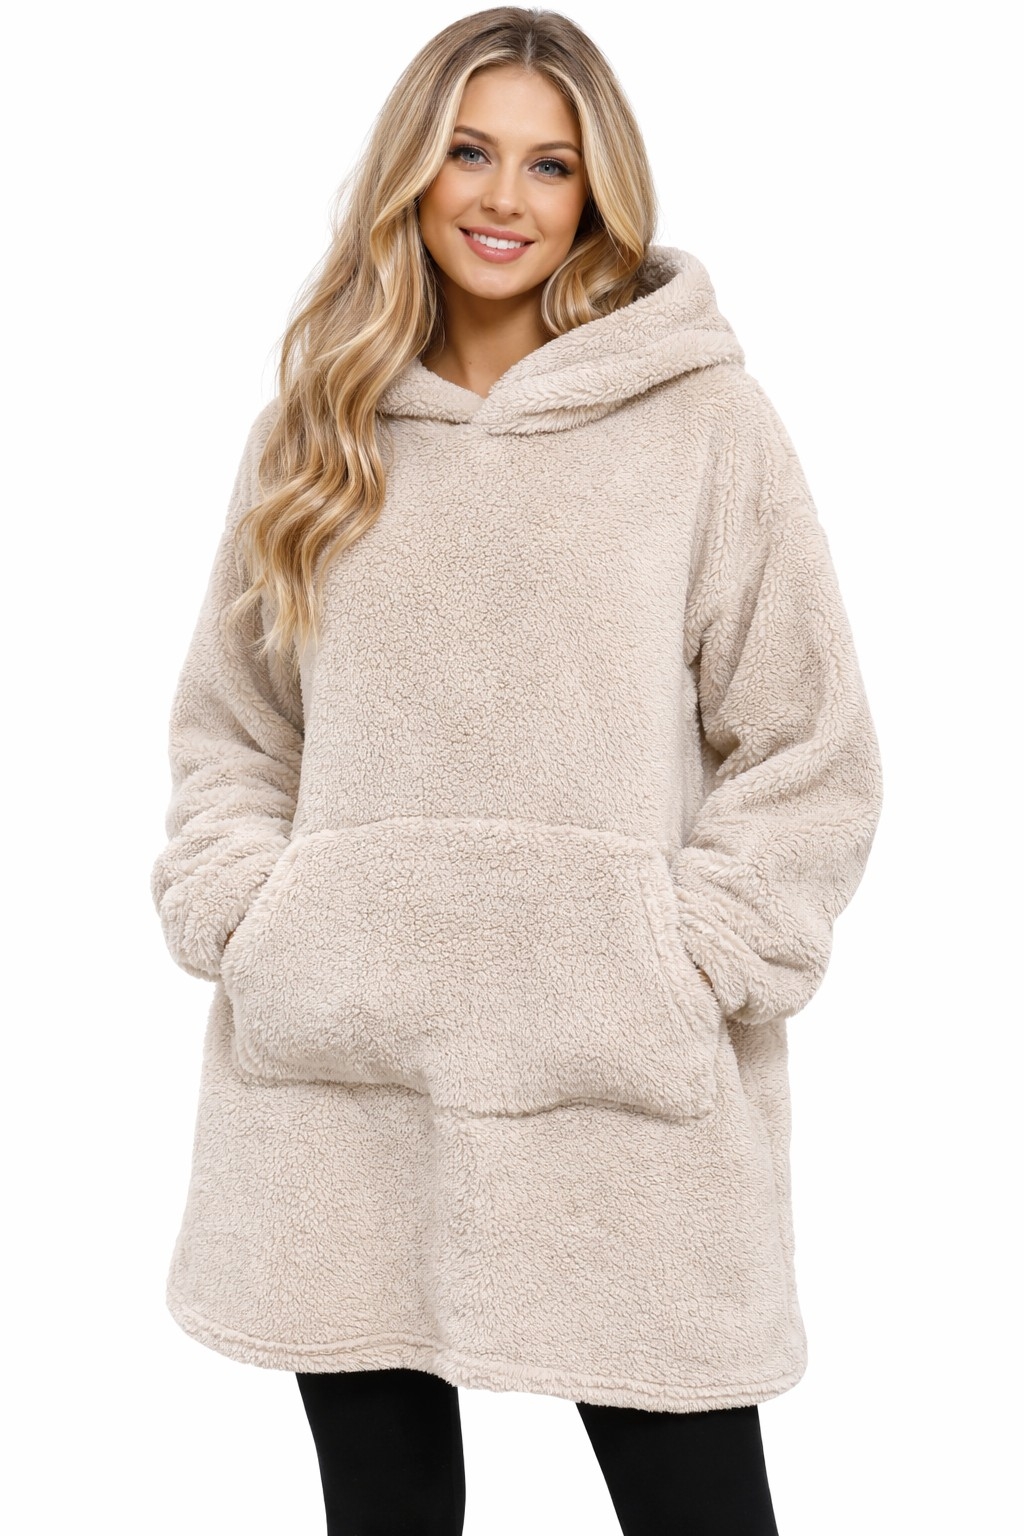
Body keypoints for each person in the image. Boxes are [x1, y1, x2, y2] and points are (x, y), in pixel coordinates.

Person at [150, 8, 883, 1533]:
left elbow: (806, 744)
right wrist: (257, 917)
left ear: (598, 192)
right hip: (345, 1074)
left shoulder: (704, 426)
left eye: (550, 165)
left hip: (618, 1079)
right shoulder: (317, 431)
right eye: (468, 153)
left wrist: (690, 954)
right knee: (386, 1514)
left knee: (702, 1510)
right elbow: (234, 729)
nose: (504, 198)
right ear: (410, 174)